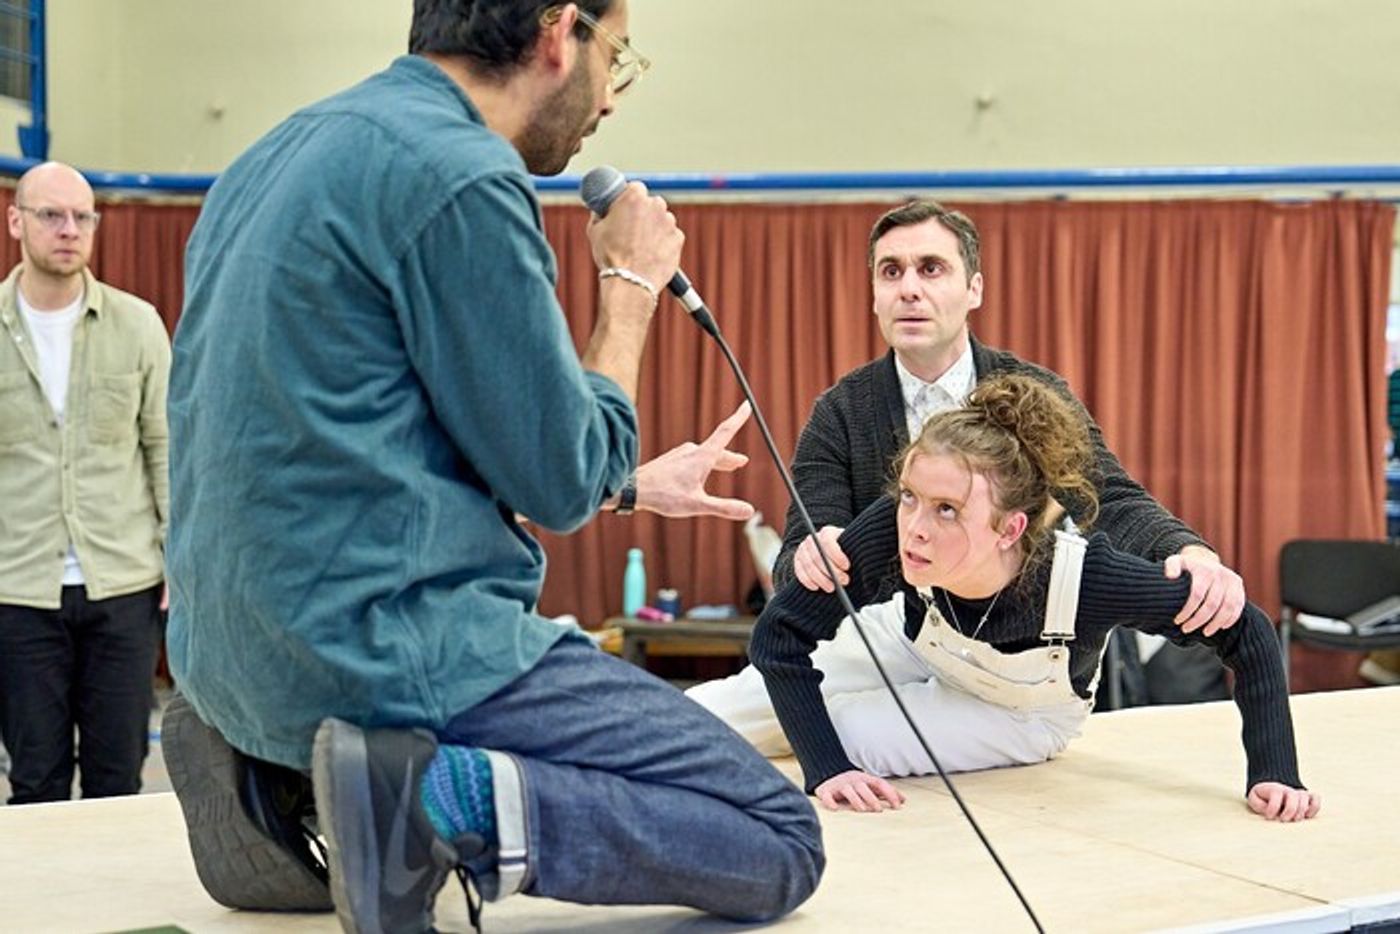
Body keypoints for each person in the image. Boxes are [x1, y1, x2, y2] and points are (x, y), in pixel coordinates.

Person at [162, 2, 822, 931]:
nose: (610, 101)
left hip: (231, 649)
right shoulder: (460, 173)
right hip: (384, 645)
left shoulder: (274, 155)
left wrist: (631, 485)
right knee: (781, 838)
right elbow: (557, 477)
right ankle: (433, 801)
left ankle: (275, 780)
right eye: (616, 57)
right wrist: (630, 286)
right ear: (560, 33)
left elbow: (346, 430)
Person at [690, 375, 1320, 823]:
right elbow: (779, 637)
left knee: (837, 734)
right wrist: (823, 766)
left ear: (1010, 528)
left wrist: (1274, 771)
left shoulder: (1086, 579)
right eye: (909, 495)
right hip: (916, 644)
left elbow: (1250, 633)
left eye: (946, 510)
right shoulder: (897, 530)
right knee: (728, 706)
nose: (915, 526)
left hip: (1020, 712)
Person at [774, 199, 1236, 705]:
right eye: (891, 272)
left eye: (931, 269)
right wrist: (813, 556)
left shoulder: (1033, 394)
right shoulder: (839, 412)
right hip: (895, 662)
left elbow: (1107, 497)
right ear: (875, 296)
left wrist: (1185, 549)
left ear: (974, 289)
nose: (909, 288)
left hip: (1018, 665)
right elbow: (801, 546)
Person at [0, 161, 170, 804]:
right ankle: (40, 909)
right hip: (18, 594)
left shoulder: (138, 325)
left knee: (116, 781)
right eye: (52, 215)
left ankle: (120, 912)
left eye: (83, 216)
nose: (69, 230)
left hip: (122, 588)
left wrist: (176, 559)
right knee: (35, 780)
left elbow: (166, 448)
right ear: (16, 221)